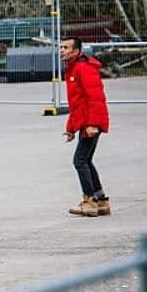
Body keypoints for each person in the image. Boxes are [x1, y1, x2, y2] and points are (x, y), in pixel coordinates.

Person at [60, 37, 111, 217]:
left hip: (92, 122)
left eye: (66, 47)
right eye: (61, 47)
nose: (62, 50)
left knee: (79, 161)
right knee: (86, 160)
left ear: (76, 51)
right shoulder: (73, 68)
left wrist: (93, 125)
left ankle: (90, 201)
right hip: (85, 122)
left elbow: (94, 98)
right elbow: (77, 103)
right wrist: (71, 128)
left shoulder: (83, 68)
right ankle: (101, 200)